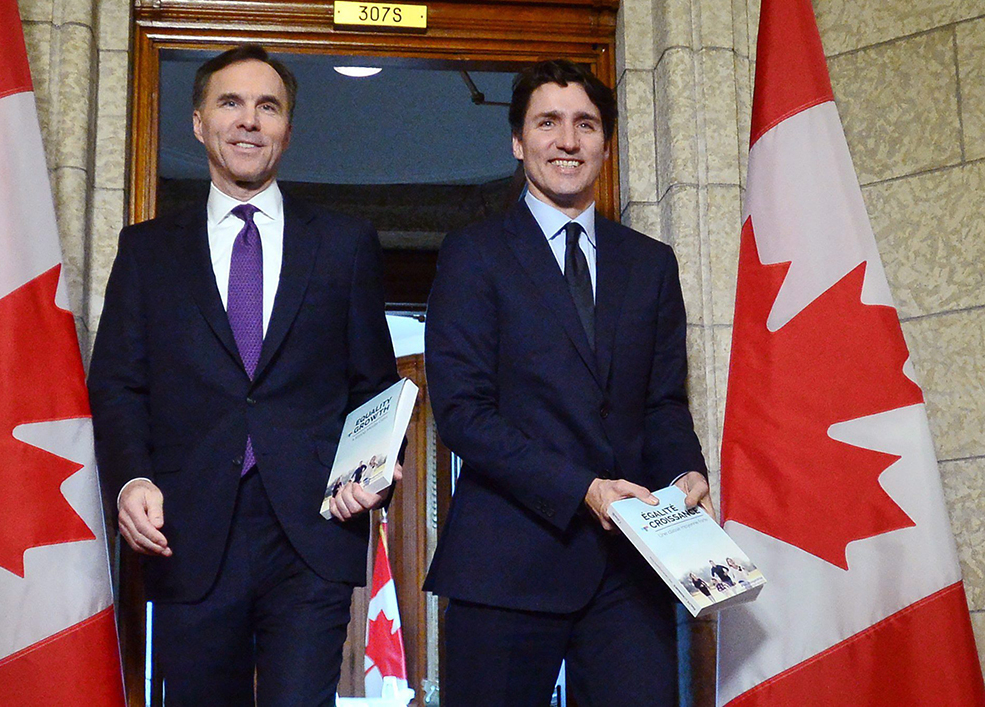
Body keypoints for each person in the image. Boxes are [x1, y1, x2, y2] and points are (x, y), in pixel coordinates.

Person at [88, 46, 400, 707]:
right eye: (230, 103)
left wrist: (373, 470)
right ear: (200, 122)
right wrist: (131, 480)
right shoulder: (146, 252)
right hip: (189, 530)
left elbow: (372, 387)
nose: (249, 121)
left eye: (269, 107)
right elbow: (118, 384)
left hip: (311, 532)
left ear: (288, 129)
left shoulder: (344, 244)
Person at [423, 59, 712, 707]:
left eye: (585, 124)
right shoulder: (474, 253)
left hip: (630, 571)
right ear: (519, 142)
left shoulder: (651, 265)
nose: (568, 140)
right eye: (547, 123)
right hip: (506, 563)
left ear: (605, 144)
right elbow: (464, 412)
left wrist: (688, 473)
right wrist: (582, 489)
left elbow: (663, 403)